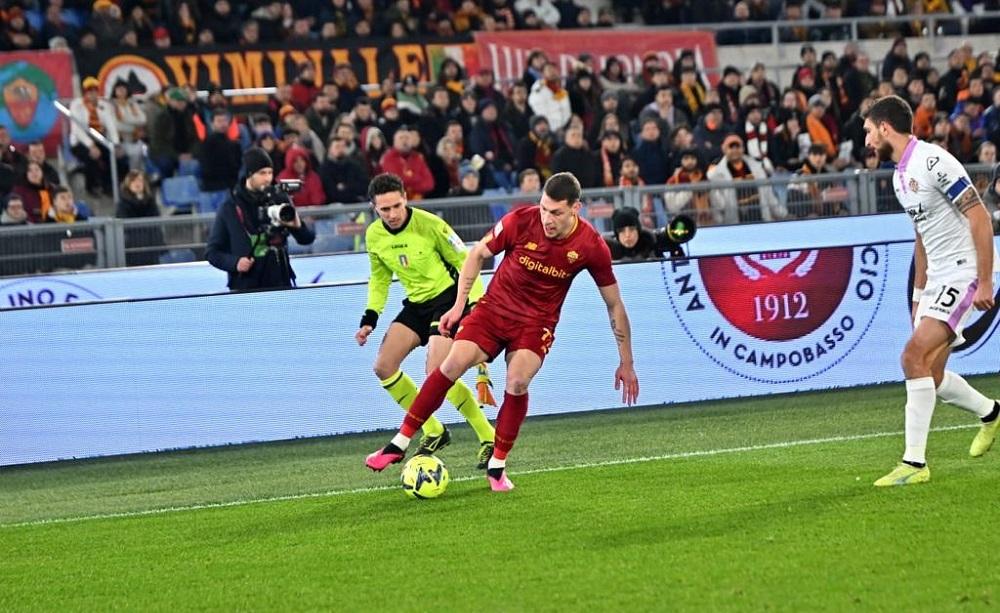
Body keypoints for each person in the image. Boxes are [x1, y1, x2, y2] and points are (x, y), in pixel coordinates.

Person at [365, 172, 640, 491]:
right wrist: (458, 306)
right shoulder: (521, 221)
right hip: (494, 309)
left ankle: (497, 466)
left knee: (517, 381)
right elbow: (477, 254)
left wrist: (627, 361)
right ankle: (399, 443)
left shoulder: (591, 246)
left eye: (556, 212)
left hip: (536, 322)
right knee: (450, 365)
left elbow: (614, 304)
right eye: (544, 209)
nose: (547, 219)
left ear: (576, 208)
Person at [862, 95, 1000, 487]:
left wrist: (986, 280)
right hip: (938, 277)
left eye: (870, 132)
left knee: (912, 356)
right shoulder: (898, 176)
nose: (868, 140)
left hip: (964, 271)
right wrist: (917, 296)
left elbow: (980, 217)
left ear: (886, 127)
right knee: (931, 372)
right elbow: (921, 237)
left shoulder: (934, 161)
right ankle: (991, 414)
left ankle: (914, 464)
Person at [358, 173, 497, 467]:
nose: (393, 214)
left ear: (405, 198)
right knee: (383, 367)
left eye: (397, 206)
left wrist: (475, 306)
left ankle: (487, 435)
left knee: (436, 372)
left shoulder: (431, 225)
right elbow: (380, 278)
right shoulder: (374, 235)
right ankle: (434, 430)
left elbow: (467, 262)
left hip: (448, 301)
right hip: (416, 305)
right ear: (374, 208)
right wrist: (370, 316)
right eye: (385, 209)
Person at [206, 147, 316, 290]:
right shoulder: (230, 207)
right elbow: (212, 252)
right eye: (262, 173)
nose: (268, 178)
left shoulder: (280, 198)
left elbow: (306, 239)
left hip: (280, 281)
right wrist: (235, 263)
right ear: (249, 175)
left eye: (270, 172)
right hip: (245, 286)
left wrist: (297, 225)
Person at [604, 206, 686, 262]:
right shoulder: (607, 251)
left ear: (638, 230)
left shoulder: (653, 242)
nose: (627, 235)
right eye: (621, 231)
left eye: (632, 229)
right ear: (616, 234)